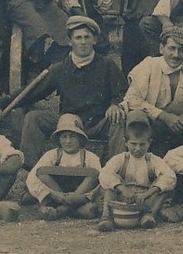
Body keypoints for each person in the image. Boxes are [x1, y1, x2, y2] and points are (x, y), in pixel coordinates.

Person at [14, 15, 127, 166]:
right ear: (70, 41)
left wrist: (115, 104)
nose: (83, 42)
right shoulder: (60, 68)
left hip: (98, 123)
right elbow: (32, 92)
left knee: (117, 120)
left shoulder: (107, 65)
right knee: (34, 117)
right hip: (68, 125)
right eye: (78, 38)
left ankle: (116, 168)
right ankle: (30, 168)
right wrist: (1, 104)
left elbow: (123, 91)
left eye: (87, 37)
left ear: (94, 40)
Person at [118, 25, 183, 154]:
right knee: (135, 115)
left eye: (182, 50)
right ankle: (136, 158)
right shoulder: (148, 65)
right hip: (152, 124)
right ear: (161, 48)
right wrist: (164, 116)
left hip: (181, 124)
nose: (176, 55)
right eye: (171, 49)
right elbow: (132, 99)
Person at [97, 112, 177, 230]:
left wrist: (149, 193)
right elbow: (104, 174)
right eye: (133, 144)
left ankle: (150, 216)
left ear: (149, 143)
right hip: (124, 198)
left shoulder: (153, 160)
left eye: (142, 144)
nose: (138, 148)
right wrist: (122, 188)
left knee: (164, 187)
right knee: (109, 184)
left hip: (145, 200)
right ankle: (106, 216)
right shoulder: (121, 158)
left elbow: (170, 177)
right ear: (126, 142)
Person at [26, 113, 103, 221]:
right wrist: (53, 194)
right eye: (64, 137)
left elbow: (100, 183)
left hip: (78, 197)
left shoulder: (90, 157)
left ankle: (60, 211)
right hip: (56, 196)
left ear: (80, 138)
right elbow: (32, 178)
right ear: (59, 139)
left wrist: (80, 197)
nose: (68, 141)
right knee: (41, 172)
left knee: (94, 174)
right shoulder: (52, 155)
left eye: (72, 136)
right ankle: (73, 210)